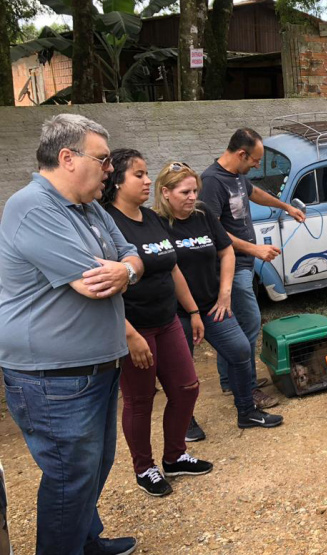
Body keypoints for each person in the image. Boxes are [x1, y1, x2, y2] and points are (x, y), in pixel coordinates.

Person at [0, 114, 144, 555]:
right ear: (67, 158)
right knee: (70, 477)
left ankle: (87, 542)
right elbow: (93, 283)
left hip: (92, 368)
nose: (108, 169)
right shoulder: (32, 208)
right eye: (101, 159)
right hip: (52, 377)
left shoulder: (90, 206)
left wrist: (127, 269)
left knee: (95, 466)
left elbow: (132, 255)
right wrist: (123, 270)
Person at [101, 149, 214, 497]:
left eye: (147, 174)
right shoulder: (107, 224)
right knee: (140, 399)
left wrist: (193, 311)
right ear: (118, 181)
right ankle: (144, 467)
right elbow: (104, 288)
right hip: (134, 328)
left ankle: (175, 455)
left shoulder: (151, 218)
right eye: (139, 174)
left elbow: (173, 267)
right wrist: (130, 335)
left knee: (187, 387)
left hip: (168, 321)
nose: (148, 180)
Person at [154, 161, 284, 430]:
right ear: (166, 192)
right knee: (182, 370)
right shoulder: (154, 223)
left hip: (212, 305)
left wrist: (224, 295)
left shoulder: (202, 215)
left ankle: (247, 411)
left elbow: (226, 251)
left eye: (194, 191)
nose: (192, 197)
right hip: (175, 312)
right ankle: (184, 422)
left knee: (239, 350)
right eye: (185, 193)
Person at [197, 128, 305, 425]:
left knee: (232, 326)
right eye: (255, 159)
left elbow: (255, 193)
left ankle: (231, 380)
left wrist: (286, 207)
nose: (258, 165)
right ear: (241, 154)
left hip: (244, 261)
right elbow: (214, 232)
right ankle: (244, 387)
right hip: (233, 266)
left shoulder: (236, 178)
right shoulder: (211, 182)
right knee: (248, 323)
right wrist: (255, 250)